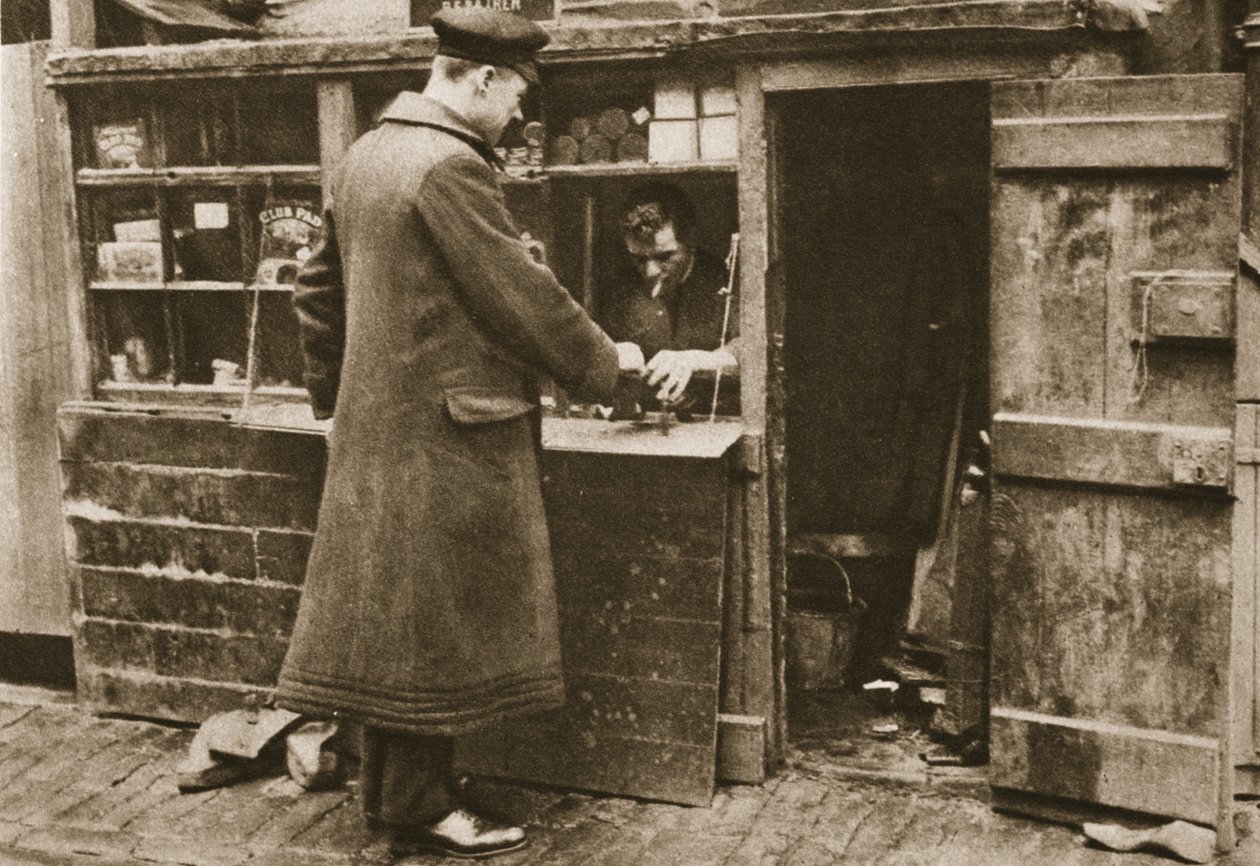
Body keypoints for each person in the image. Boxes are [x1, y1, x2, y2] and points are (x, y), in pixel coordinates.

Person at [273, 8, 644, 860]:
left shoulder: (367, 155)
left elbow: (313, 291)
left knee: (407, 628)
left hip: (381, 439)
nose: (517, 116)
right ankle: (419, 811)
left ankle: (407, 795)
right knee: (433, 633)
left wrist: (340, 404)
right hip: (446, 440)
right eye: (514, 95)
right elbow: (522, 300)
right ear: (480, 80)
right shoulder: (448, 167)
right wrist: (613, 368)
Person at [602, 182, 739, 410]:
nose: (650, 272)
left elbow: (752, 351)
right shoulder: (620, 290)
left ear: (692, 241)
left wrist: (698, 361)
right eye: (639, 259)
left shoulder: (729, 280)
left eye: (664, 257)